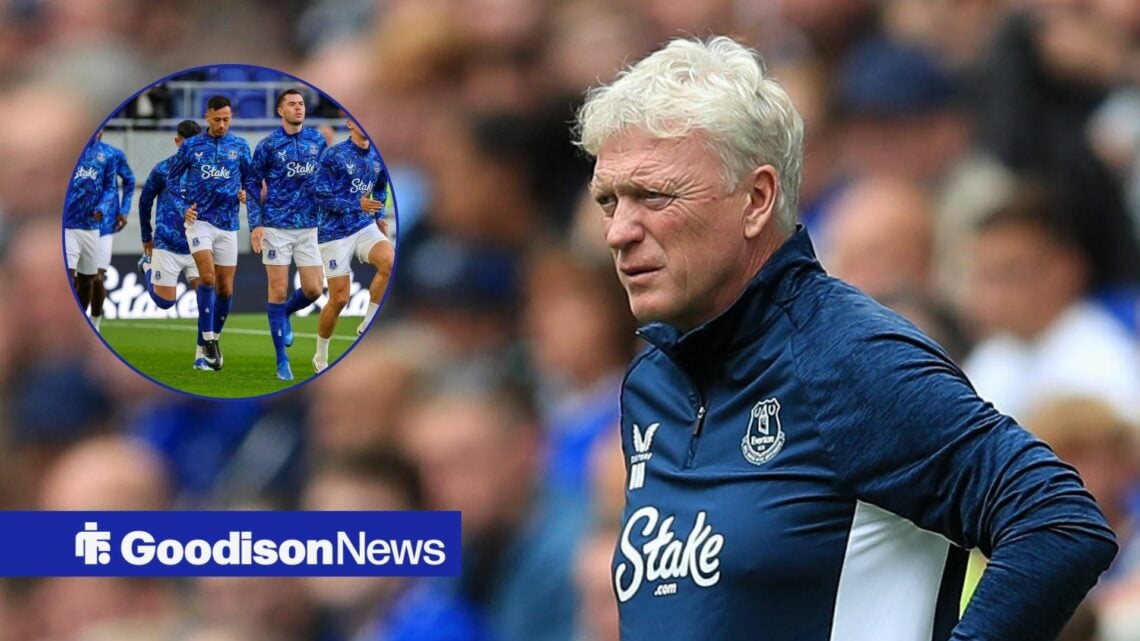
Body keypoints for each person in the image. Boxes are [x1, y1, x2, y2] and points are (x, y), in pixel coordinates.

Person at [574, 36, 1117, 641]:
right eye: (607, 200)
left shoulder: (846, 356)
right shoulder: (653, 382)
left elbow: (1058, 521)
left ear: (756, 199)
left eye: (653, 195)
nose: (620, 231)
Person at [166, 95, 253, 371]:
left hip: (227, 223)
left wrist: (245, 193)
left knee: (225, 288)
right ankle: (208, 343)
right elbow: (171, 180)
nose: (222, 124)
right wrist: (183, 209)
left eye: (226, 119)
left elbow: (250, 180)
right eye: (217, 119)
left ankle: (214, 336)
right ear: (207, 117)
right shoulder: (191, 147)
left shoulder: (239, 146)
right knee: (206, 276)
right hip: (199, 221)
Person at [247, 88, 327, 381]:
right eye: (291, 104)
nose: (298, 108)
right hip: (277, 228)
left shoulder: (317, 140)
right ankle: (282, 360)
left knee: (314, 290)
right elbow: (254, 183)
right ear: (280, 111)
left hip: (309, 227)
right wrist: (256, 223)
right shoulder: (268, 145)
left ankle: (286, 313)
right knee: (278, 291)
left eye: (301, 104)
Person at [308, 115, 394, 373]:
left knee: (389, 261)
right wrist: (356, 204)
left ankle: (368, 322)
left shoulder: (378, 156)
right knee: (339, 299)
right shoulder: (333, 155)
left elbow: (380, 188)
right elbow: (320, 195)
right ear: (349, 124)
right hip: (333, 232)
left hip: (363, 226)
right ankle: (320, 356)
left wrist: (378, 216)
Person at [137, 119, 206, 368]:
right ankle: (147, 267)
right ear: (177, 142)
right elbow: (144, 202)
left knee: (207, 300)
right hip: (167, 243)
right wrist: (147, 236)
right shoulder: (162, 170)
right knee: (165, 302)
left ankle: (202, 355)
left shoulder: (208, 172)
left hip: (199, 244)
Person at [63, 135, 120, 320]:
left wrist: (103, 207)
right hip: (68, 225)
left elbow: (110, 188)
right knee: (68, 277)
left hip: (92, 227)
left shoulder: (107, 155)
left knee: (88, 281)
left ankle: (85, 323)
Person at [89, 129, 135, 332]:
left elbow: (130, 180)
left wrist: (124, 210)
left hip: (104, 225)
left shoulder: (113, 154)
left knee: (97, 277)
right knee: (74, 278)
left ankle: (95, 324)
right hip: (74, 223)